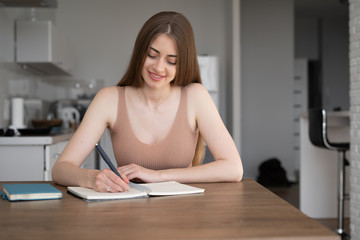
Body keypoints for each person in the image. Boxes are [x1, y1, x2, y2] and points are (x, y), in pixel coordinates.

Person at [52, 11, 243, 192]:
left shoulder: (195, 96)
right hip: (128, 215)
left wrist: (157, 176)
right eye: (152, 55)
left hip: (184, 217)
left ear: (183, 63)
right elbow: (60, 169)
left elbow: (234, 168)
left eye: (171, 61)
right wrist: (92, 178)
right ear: (139, 52)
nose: (159, 67)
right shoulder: (108, 99)